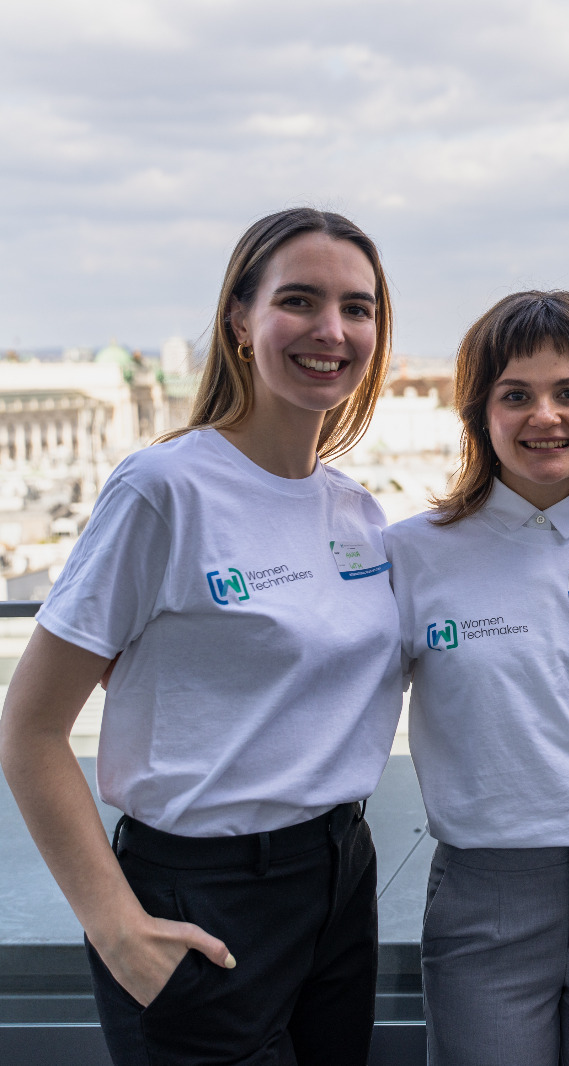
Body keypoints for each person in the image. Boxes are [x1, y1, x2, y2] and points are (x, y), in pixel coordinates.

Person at [0, 208, 402, 1064]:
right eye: (299, 300)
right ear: (240, 322)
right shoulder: (163, 490)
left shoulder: (358, 512)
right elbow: (29, 729)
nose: (332, 330)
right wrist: (117, 929)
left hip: (339, 879)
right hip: (202, 895)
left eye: (357, 308)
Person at [383, 290, 569, 1065]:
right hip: (485, 892)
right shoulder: (412, 554)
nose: (545, 416)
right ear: (478, 414)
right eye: (515, 395)